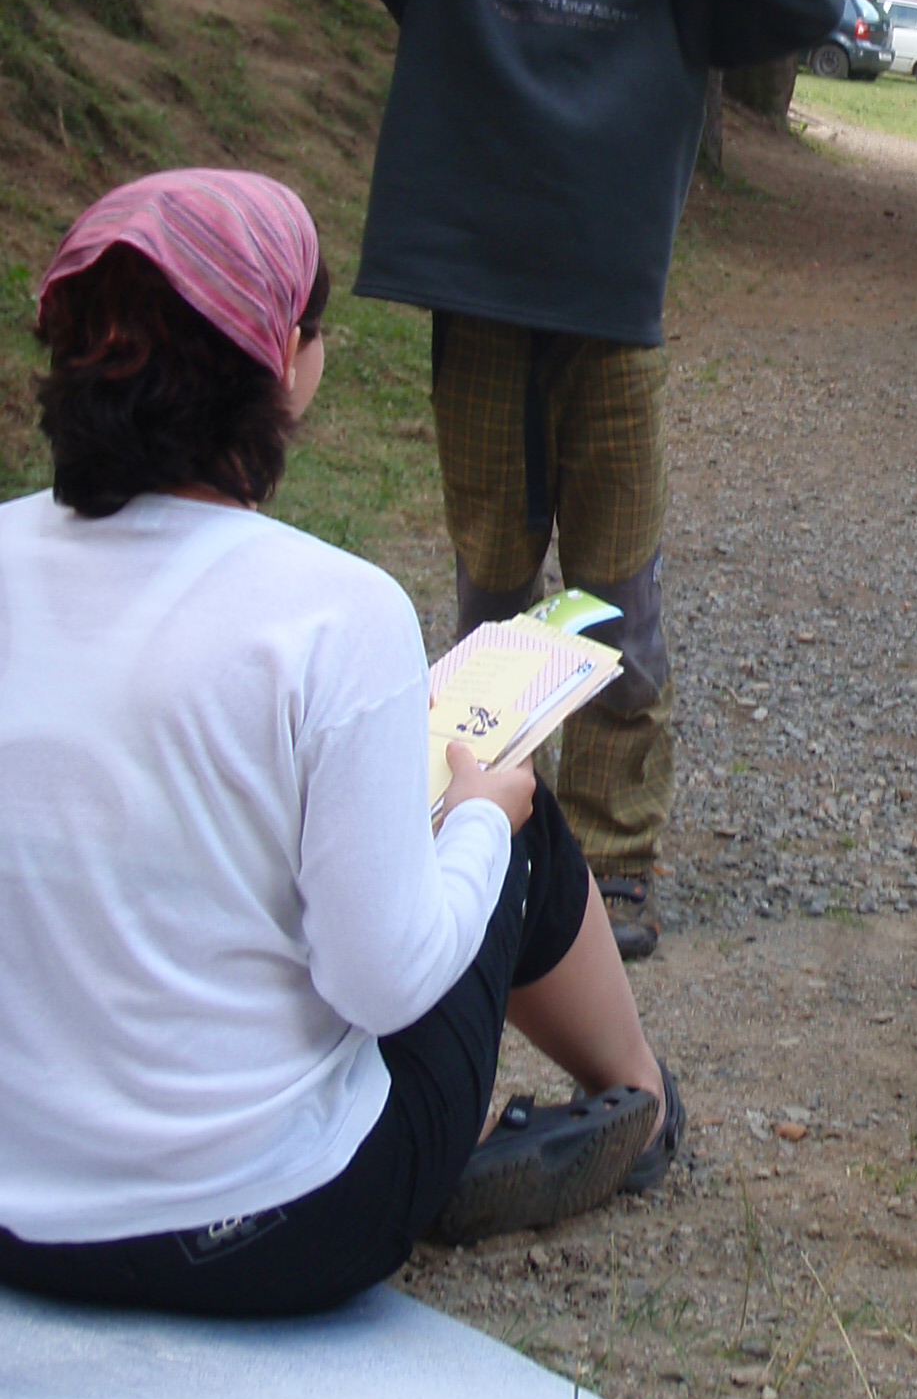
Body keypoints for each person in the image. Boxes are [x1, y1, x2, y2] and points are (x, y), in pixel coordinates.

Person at [288, 0, 843, 973]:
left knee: (615, 596)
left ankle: (617, 856)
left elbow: (811, 8)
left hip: (611, 337)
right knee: (492, 585)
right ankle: (485, 819)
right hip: (482, 324)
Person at [0, 169, 676, 1317]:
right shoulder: (335, 610)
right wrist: (477, 821)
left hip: (20, 1221)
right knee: (502, 804)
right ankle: (640, 1101)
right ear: (284, 361)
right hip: (268, 1230)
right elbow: (383, 977)